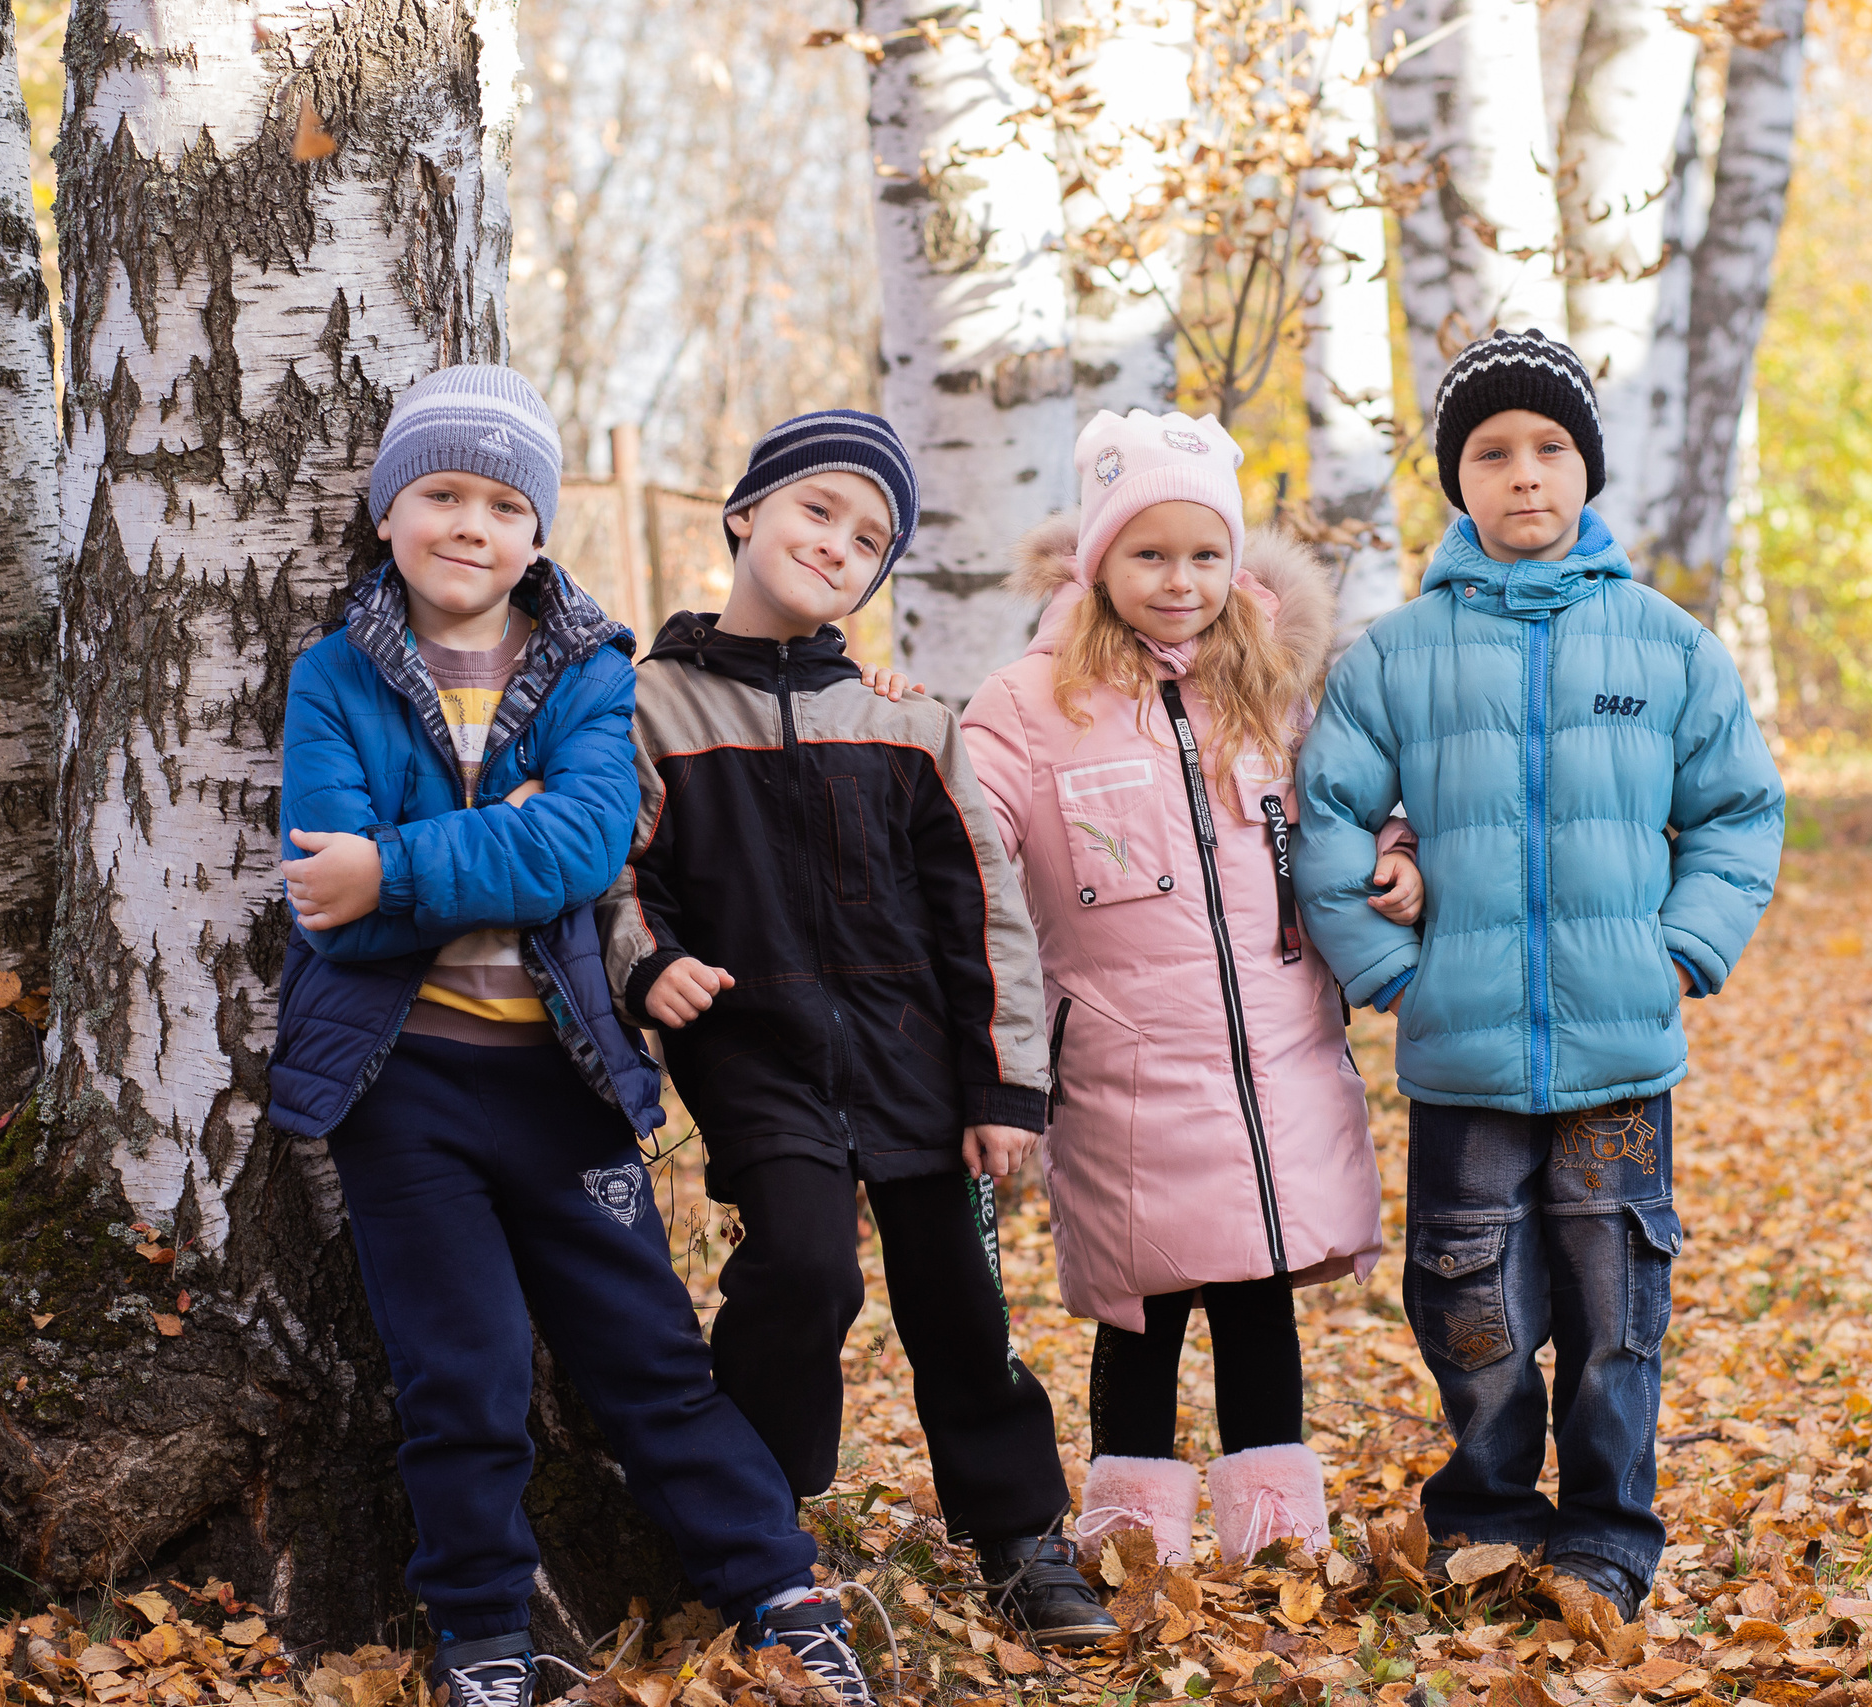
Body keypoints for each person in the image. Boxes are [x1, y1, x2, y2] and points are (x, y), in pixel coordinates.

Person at [266, 367, 875, 1707]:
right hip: (403, 1085)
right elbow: (330, 902)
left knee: (649, 1357)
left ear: (538, 532)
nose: (470, 524)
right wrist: (486, 843)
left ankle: (778, 1585)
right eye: (439, 493)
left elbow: (586, 845)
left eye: (502, 501)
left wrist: (404, 863)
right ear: (386, 514)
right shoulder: (335, 674)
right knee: (464, 1372)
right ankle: (484, 1628)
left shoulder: (590, 670)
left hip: (563, 1076)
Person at [596, 410, 1119, 1647]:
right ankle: (755, 1528)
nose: (837, 544)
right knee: (801, 1273)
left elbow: (985, 916)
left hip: (921, 1068)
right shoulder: (645, 709)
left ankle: (1019, 1539)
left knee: (962, 1303)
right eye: (815, 510)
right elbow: (608, 873)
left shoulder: (907, 722)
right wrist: (646, 963)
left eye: (869, 537)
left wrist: (1003, 1092)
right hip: (756, 1056)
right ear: (744, 513)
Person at [1295, 329, 1785, 1619]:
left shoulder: (1664, 646)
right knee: (1473, 1301)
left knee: (1617, 1304)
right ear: (1458, 480)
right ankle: (1489, 1522)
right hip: (1461, 1050)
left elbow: (1737, 810)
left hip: (1619, 1053)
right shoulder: (1393, 656)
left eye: (1550, 449)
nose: (1525, 475)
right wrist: (1387, 964)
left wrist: (1682, 943)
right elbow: (1331, 818)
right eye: (1492, 453)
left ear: (1588, 471)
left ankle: (1608, 1538)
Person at [956, 409, 1394, 1567]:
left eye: (1205, 555)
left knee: (1258, 1297)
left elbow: (1341, 815)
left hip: (1275, 1057)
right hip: (1125, 1064)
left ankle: (1277, 1539)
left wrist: (1391, 853)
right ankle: (1133, 1535)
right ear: (1099, 562)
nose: (1180, 580)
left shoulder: (1270, 697)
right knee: (1141, 1308)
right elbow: (958, 840)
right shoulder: (1028, 703)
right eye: (1149, 554)